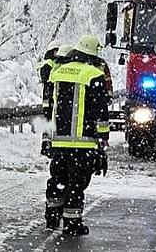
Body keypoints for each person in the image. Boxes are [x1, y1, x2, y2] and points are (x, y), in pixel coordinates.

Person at [42, 34, 111, 234]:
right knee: (76, 182)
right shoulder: (93, 75)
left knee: (58, 178)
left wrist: (47, 138)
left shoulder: (57, 72)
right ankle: (72, 223)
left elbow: (49, 108)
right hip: (83, 142)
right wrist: (103, 137)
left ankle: (52, 216)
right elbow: (101, 112)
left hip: (59, 141)